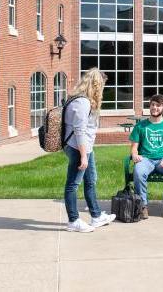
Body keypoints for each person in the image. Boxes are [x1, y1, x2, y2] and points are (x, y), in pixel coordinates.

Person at [63, 68, 116, 233]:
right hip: (78, 148)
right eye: (102, 86)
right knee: (73, 184)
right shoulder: (82, 102)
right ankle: (73, 220)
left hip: (85, 148)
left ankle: (96, 216)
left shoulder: (83, 100)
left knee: (91, 180)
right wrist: (84, 156)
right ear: (96, 85)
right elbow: (79, 131)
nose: (103, 90)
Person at [129, 94, 163, 220]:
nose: (154, 107)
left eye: (158, 105)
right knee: (138, 171)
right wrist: (135, 155)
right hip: (145, 159)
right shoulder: (140, 126)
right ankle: (143, 206)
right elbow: (134, 147)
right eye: (152, 104)